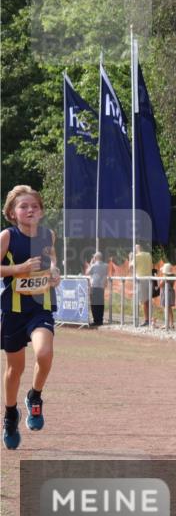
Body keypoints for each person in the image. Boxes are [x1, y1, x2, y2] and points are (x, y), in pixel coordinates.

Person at [1, 185, 61, 450]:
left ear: (41, 211)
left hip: (40, 307)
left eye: (34, 206)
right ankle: (10, 414)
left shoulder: (48, 235)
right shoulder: (7, 236)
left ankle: (35, 397)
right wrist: (18, 269)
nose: (29, 210)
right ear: (12, 213)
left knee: (44, 353)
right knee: (15, 369)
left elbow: (52, 263)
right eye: (23, 206)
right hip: (13, 311)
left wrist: (56, 274)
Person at [129, 244, 153, 326]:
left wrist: (130, 258)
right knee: (147, 301)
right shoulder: (148, 255)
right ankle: (148, 319)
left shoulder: (136, 256)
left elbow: (130, 267)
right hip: (149, 279)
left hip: (141, 280)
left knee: (143, 301)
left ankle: (146, 320)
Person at [85, 251, 108, 326]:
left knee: (94, 303)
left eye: (94, 257)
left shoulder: (93, 265)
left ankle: (96, 320)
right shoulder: (106, 265)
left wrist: (91, 263)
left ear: (96, 258)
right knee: (100, 303)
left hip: (94, 286)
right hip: (101, 286)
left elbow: (87, 272)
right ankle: (100, 320)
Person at [159, 263, 176, 330]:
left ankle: (166, 324)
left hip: (165, 293)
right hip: (171, 292)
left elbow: (160, 285)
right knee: (169, 308)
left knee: (165, 308)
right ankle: (171, 323)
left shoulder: (165, 277)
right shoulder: (172, 277)